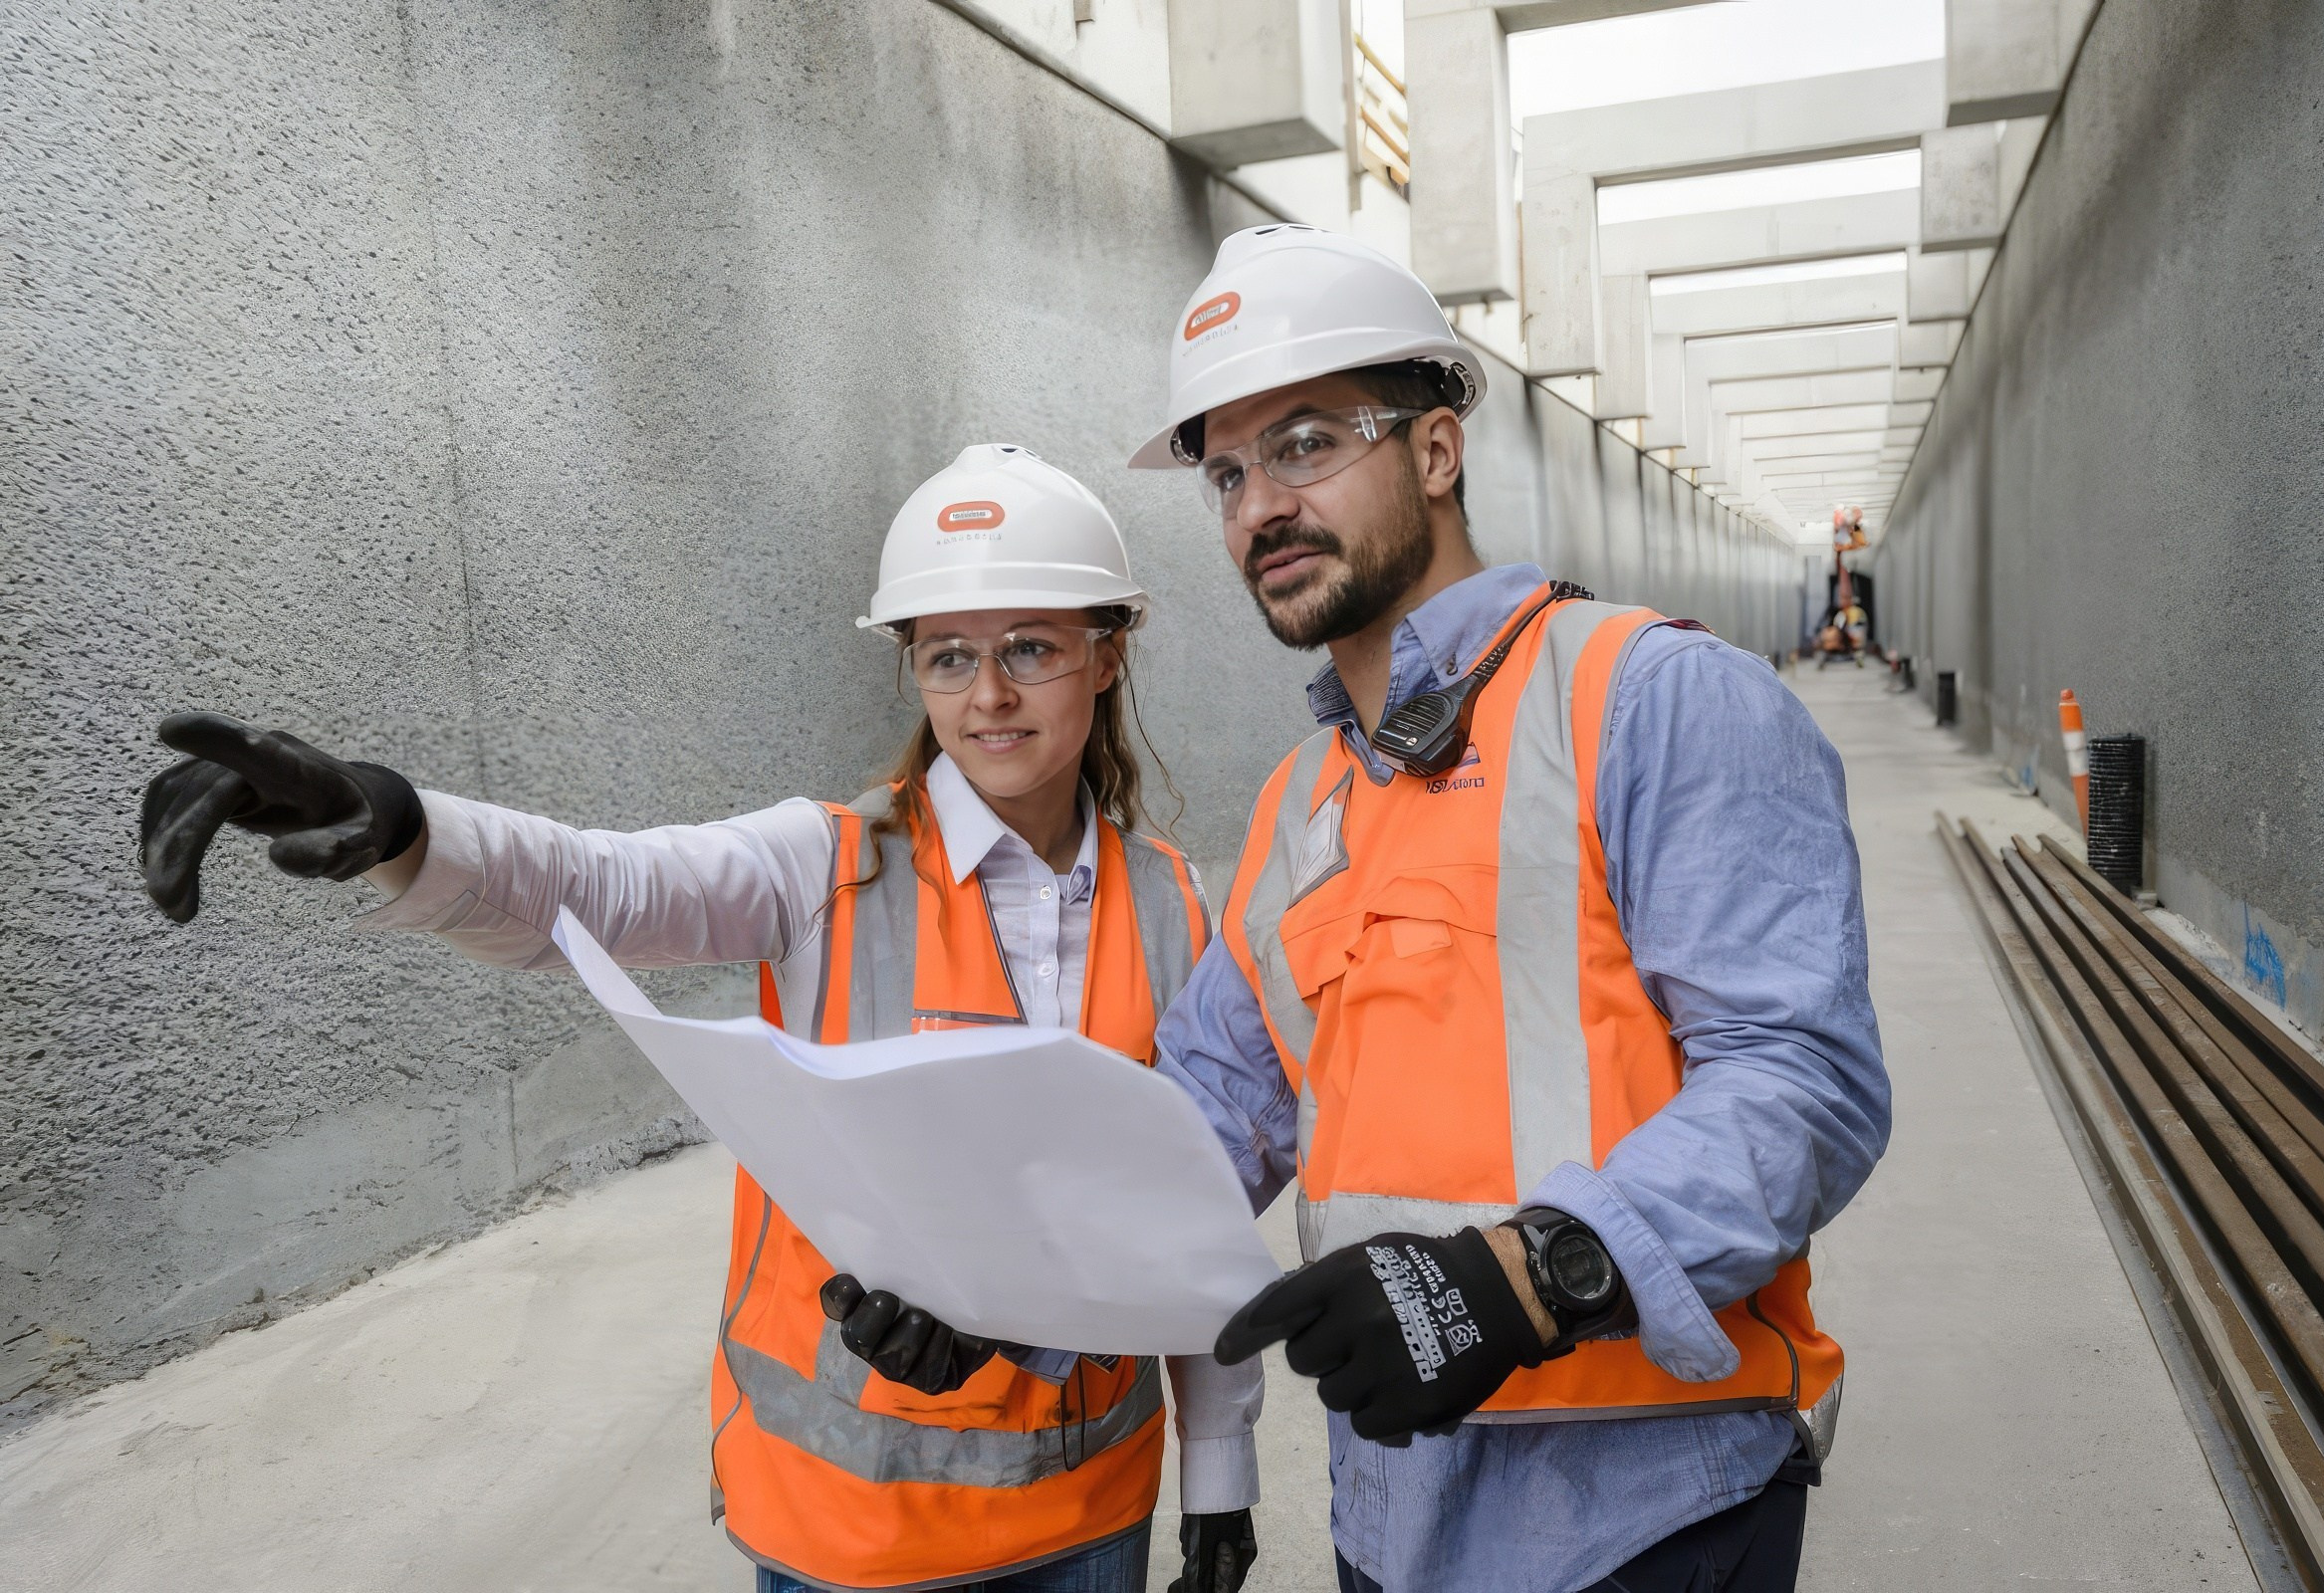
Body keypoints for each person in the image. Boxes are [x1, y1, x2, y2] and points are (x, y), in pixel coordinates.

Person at [136, 445, 1264, 1593]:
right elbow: (599, 888)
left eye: (1032, 646)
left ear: (1106, 655)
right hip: (846, 1529)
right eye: (948, 655)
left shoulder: (1176, 903)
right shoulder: (819, 867)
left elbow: (1189, 1213)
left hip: (1087, 1515)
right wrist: (396, 819)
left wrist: (1220, 1469)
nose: (989, 695)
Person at [1126, 226, 1892, 1593]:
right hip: (1393, 1511)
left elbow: (1803, 1085)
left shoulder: (1651, 701)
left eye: (1305, 443)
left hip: (1655, 1515)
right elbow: (1200, 1117)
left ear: (1436, 450)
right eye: (1228, 471)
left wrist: (1528, 1274)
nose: (1257, 508)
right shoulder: (1300, 808)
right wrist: (993, 1281)